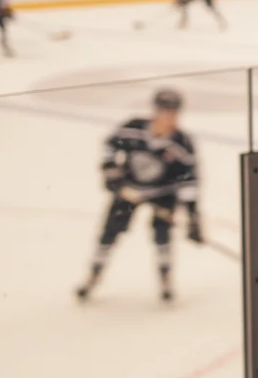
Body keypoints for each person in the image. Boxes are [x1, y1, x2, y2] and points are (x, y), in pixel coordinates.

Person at [76, 88, 203, 303]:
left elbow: (189, 181)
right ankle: (94, 274)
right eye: (164, 112)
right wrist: (111, 170)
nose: (169, 118)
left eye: (173, 113)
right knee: (109, 232)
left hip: (163, 194)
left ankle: (165, 278)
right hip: (129, 191)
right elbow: (110, 145)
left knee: (162, 236)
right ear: (155, 111)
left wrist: (192, 216)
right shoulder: (132, 128)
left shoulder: (182, 143)